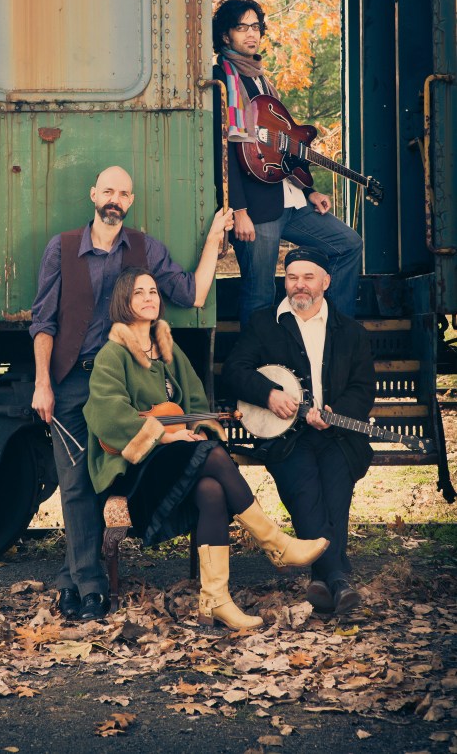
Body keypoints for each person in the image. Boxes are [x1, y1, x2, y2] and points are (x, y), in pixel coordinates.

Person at [30, 166, 233, 622]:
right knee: (76, 485)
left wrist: (213, 240)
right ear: (93, 195)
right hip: (71, 381)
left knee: (105, 478)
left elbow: (193, 294)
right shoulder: (61, 248)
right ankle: (89, 585)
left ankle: (75, 581)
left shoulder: (145, 248)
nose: (114, 199)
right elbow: (43, 321)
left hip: (122, 385)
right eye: (108, 191)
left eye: (123, 193)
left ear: (131, 201)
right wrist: (43, 383)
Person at [83, 267, 329, 629]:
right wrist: (166, 437)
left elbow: (197, 404)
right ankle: (275, 543)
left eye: (153, 292)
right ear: (124, 301)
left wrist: (195, 431)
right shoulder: (113, 354)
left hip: (172, 464)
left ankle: (215, 601)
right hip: (134, 473)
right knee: (213, 454)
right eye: (139, 293)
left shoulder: (167, 350)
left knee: (211, 489)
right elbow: (107, 415)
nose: (149, 298)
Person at [222, 246, 376, 614]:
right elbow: (234, 371)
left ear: (326, 282)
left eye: (308, 277)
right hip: (287, 439)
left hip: (338, 435)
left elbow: (363, 388)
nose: (299, 285)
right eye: (292, 277)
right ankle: (338, 578)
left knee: (335, 492)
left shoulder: (350, 331)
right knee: (305, 492)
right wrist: (269, 394)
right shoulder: (265, 324)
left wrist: (336, 412)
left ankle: (324, 579)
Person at [212, 0, 363, 326]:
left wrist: (309, 191)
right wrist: (239, 210)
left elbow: (284, 144)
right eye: (242, 27)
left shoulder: (263, 80)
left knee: (348, 245)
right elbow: (223, 152)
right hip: (256, 208)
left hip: (291, 200)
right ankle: (256, 358)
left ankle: (333, 336)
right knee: (260, 293)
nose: (251, 34)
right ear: (225, 35)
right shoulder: (221, 81)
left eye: (255, 27)